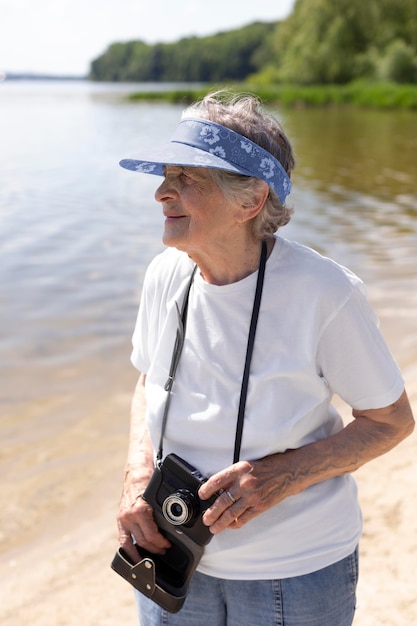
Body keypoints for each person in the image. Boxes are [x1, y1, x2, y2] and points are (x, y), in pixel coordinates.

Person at [116, 91, 414, 626]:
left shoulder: (324, 291)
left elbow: (390, 422)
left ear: (250, 200)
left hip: (294, 575)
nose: (162, 193)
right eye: (166, 176)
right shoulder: (166, 273)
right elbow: (148, 382)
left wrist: (287, 473)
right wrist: (137, 476)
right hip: (169, 558)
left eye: (188, 179)